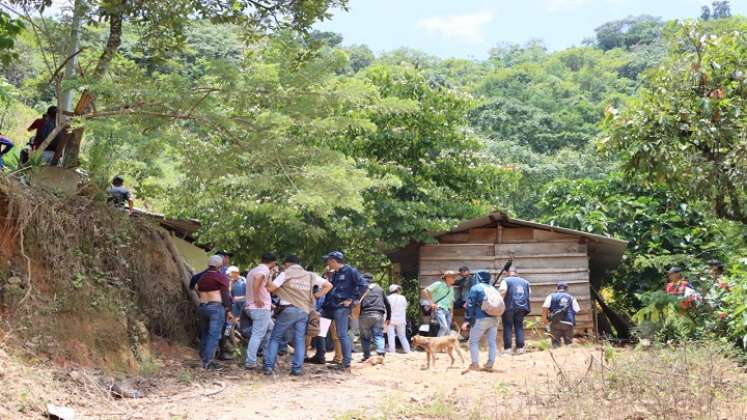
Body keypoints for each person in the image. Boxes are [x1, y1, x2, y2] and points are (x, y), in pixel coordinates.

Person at [263, 255, 332, 376]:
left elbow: (271, 288)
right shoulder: (310, 275)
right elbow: (329, 285)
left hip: (288, 309)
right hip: (304, 310)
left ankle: (269, 367)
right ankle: (297, 369)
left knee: (275, 337)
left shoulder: (286, 274)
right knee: (300, 339)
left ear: (287, 264)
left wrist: (270, 275)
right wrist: (316, 296)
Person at [320, 251, 368, 371]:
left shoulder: (351, 271)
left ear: (333, 261)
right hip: (329, 306)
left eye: (328, 261)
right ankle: (319, 356)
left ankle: (346, 363)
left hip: (341, 307)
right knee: (320, 331)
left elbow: (364, 286)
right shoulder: (334, 273)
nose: (327, 263)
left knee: (342, 334)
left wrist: (352, 300)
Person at [195, 255, 233, 370]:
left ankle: (203, 356)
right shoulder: (221, 277)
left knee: (205, 333)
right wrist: (228, 309)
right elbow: (225, 295)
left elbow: (194, 286)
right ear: (220, 265)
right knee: (214, 335)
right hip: (215, 307)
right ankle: (208, 362)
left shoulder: (201, 278)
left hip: (202, 306)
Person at [243, 253, 277, 370]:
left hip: (253, 307)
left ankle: (265, 355)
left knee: (270, 327)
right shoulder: (263, 269)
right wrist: (257, 298)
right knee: (257, 335)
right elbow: (258, 279)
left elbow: (268, 287)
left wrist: (271, 275)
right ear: (273, 262)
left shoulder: (254, 270)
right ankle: (250, 361)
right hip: (259, 308)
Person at [462, 272, 500, 371]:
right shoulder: (493, 289)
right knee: (492, 342)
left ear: (477, 278)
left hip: (480, 318)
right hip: (494, 318)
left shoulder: (476, 288)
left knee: (473, 341)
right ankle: (490, 364)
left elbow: (470, 305)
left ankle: (475, 364)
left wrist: (467, 320)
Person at [358, 274, 391, 362]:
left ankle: (366, 355)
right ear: (372, 280)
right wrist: (388, 317)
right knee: (378, 335)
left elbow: (357, 303)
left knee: (365, 337)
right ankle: (380, 354)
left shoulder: (360, 289)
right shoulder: (380, 289)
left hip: (364, 315)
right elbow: (387, 304)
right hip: (378, 314)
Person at [499, 266, 530, 355]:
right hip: (522, 307)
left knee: (508, 327)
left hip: (509, 307)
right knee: (519, 326)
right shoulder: (525, 282)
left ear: (507, 273)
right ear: (517, 273)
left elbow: (502, 291)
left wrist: (500, 304)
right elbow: (529, 293)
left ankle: (508, 349)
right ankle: (520, 348)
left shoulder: (506, 281)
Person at [542, 282, 581, 348]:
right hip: (568, 322)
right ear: (566, 289)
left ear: (556, 288)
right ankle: (568, 356)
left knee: (556, 343)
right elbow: (577, 310)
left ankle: (557, 355)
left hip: (555, 323)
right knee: (569, 343)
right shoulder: (571, 298)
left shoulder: (551, 296)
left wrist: (545, 319)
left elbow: (545, 307)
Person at [421, 271, 457, 337]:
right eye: (453, 277)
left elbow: (451, 301)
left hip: (448, 311)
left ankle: (444, 346)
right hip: (439, 309)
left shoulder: (451, 288)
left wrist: (452, 313)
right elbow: (425, 291)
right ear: (447, 278)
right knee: (444, 327)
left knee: (447, 330)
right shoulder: (438, 284)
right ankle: (438, 345)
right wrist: (431, 303)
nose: (455, 279)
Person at [386, 284, 410, 354]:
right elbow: (405, 307)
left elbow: (386, 309)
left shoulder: (388, 298)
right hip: (401, 319)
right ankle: (407, 350)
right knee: (402, 336)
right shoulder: (403, 297)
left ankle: (392, 351)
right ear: (397, 290)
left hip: (391, 319)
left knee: (391, 335)